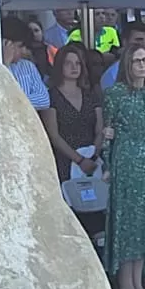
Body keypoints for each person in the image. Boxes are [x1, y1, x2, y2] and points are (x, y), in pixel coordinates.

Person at [100, 44, 145, 289]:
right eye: (137, 60)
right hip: (126, 157)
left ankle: (138, 284)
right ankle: (126, 287)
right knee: (128, 222)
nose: (142, 65)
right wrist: (107, 164)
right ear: (127, 64)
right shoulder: (115, 93)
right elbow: (107, 131)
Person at [46, 47, 102, 185]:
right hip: (65, 161)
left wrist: (93, 156)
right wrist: (79, 160)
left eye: (77, 63)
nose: (74, 67)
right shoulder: (51, 96)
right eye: (68, 63)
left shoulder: (90, 95)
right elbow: (54, 135)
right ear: (60, 66)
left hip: (92, 161)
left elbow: (100, 129)